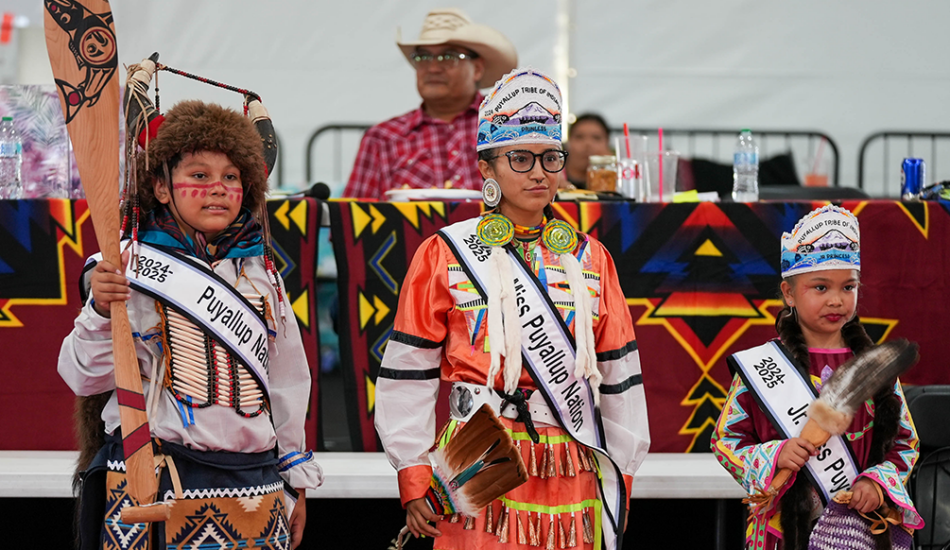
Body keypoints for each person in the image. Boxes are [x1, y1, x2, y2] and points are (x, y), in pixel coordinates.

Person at [374, 68, 650, 550]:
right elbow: (408, 370)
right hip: (478, 453)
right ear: (487, 167)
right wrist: (413, 469)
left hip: (572, 461)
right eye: (520, 159)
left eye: (550, 158)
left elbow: (620, 375)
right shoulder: (446, 253)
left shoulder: (591, 259)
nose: (539, 172)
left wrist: (620, 474)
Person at [59, 60, 322, 550]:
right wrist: (98, 307)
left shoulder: (263, 276)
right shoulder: (125, 266)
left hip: (253, 488)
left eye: (231, 176)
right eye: (198, 174)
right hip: (152, 478)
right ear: (161, 185)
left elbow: (288, 382)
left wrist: (294, 479)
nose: (218, 187)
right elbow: (82, 378)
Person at [711, 205, 922, 550]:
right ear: (789, 292)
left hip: (861, 531)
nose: (837, 300)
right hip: (783, 532)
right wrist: (776, 456)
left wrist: (877, 484)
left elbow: (905, 442)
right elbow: (725, 441)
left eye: (848, 287)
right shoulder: (762, 366)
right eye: (820, 288)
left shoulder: (872, 367)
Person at [342, 8, 517, 199]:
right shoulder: (382, 138)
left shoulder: (510, 124)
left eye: (448, 57)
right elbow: (352, 219)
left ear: (477, 69)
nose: (433, 68)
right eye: (423, 57)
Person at [562, 113, 612, 189]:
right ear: (568, 142)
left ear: (608, 143)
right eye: (579, 137)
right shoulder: (553, 180)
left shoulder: (619, 184)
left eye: (596, 138)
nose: (588, 144)